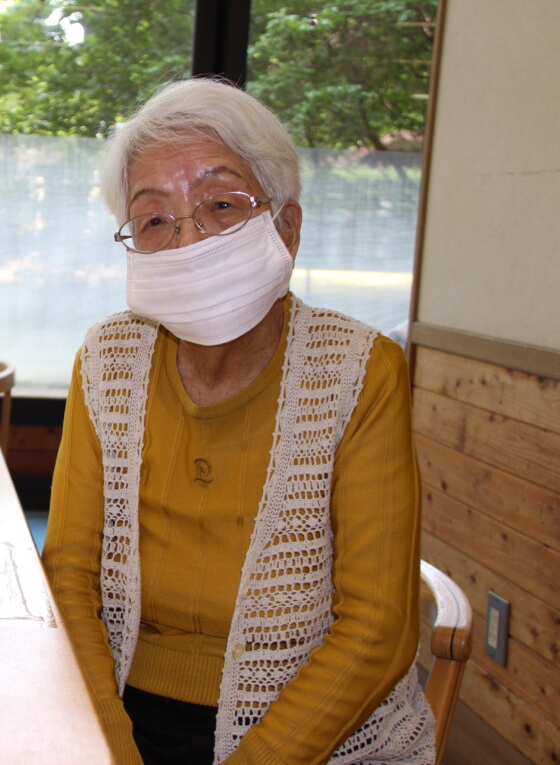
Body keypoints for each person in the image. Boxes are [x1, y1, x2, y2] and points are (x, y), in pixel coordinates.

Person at [42, 78, 434, 765]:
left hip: (309, 724)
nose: (189, 240)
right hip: (124, 707)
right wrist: (110, 745)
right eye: (155, 220)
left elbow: (378, 629)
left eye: (221, 205)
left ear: (287, 227)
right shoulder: (107, 360)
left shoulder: (360, 369)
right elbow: (69, 577)